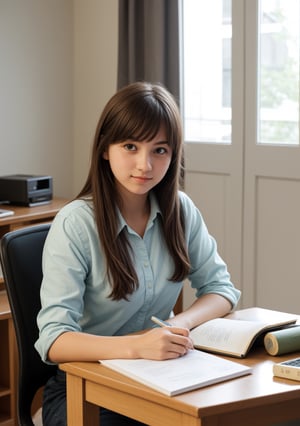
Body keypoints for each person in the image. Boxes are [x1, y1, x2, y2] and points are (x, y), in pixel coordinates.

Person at [35, 81, 241, 426]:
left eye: (159, 150)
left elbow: (222, 290)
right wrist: (138, 346)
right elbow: (54, 340)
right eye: (130, 146)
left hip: (157, 375)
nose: (144, 164)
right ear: (105, 148)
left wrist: (178, 324)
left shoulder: (180, 210)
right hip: (82, 387)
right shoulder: (75, 224)